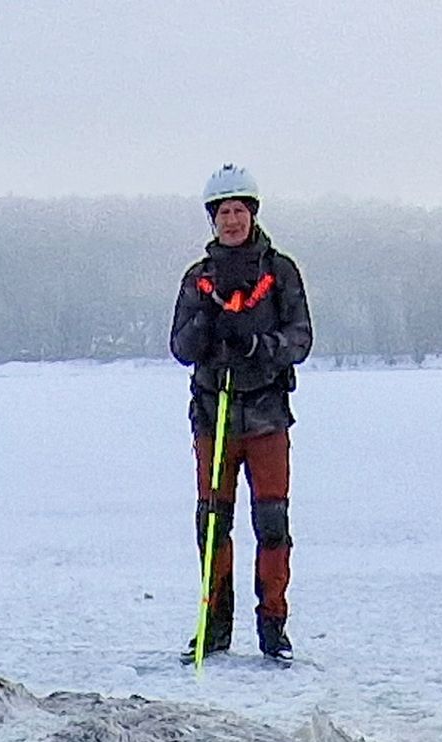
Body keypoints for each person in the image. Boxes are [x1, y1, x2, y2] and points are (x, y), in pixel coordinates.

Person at [168, 163, 313, 661]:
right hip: (214, 418)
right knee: (213, 524)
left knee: (272, 523)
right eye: (223, 212)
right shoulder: (198, 279)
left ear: (251, 214)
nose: (232, 221)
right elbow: (180, 348)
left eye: (239, 211)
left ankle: (273, 626)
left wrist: (255, 345)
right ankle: (215, 625)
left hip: (268, 417)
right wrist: (207, 329)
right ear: (213, 219)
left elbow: (301, 338)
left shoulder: (281, 272)